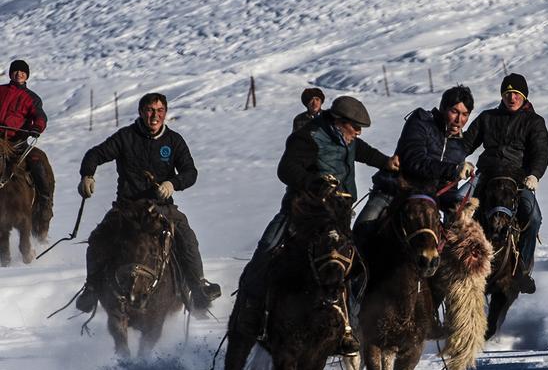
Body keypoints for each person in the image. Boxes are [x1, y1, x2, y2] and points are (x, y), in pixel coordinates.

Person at [239, 95, 398, 355]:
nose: (358, 133)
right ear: (338, 122)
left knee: (352, 268)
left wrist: (385, 162)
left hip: (338, 215)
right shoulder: (309, 136)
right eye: (355, 127)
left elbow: (362, 151)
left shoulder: (347, 139)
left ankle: (348, 328)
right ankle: (250, 315)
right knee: (266, 249)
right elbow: (286, 169)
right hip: (302, 212)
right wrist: (315, 183)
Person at [74, 93, 221, 316]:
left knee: (186, 235)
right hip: (127, 208)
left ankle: (198, 286)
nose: (155, 115)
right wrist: (87, 175)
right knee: (98, 237)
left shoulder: (174, 141)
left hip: (161, 207)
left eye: (160, 111)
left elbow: (190, 173)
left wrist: (173, 183)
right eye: (150, 110)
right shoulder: (125, 137)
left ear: (165, 113)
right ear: (142, 112)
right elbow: (95, 154)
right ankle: (92, 288)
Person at [463, 73, 548, 294]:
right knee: (457, 205)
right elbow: (465, 143)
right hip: (487, 175)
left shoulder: (534, 122)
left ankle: (522, 269)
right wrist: (461, 161)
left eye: (517, 94)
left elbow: (540, 152)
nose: (512, 98)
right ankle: (454, 263)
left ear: (524, 96)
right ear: (502, 95)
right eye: (508, 93)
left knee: (533, 216)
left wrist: (535, 175)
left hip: (517, 180)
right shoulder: (487, 117)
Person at [354, 86, 474, 241]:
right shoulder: (421, 121)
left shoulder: (458, 145)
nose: (459, 120)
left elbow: (446, 188)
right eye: (454, 111)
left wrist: (457, 204)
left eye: (465, 114)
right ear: (443, 108)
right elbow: (414, 161)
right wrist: (453, 170)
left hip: (427, 205)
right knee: (362, 231)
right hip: (394, 192)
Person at [0, 59, 55, 240]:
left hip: (17, 143)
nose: (19, 74)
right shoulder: (0, 90)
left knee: (39, 162)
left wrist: (37, 127)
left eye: (22, 72)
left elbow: (40, 115)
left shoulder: (32, 97)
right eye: (15, 71)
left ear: (27, 75)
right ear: (10, 73)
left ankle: (44, 200)